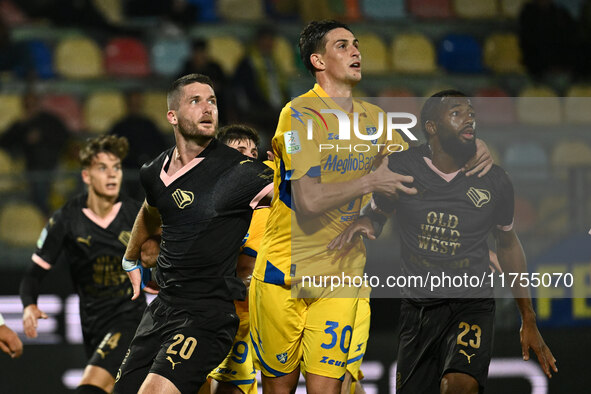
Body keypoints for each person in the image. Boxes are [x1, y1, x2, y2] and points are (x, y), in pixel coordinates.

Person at [249, 20, 494, 394]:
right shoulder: (298, 115)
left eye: (357, 44)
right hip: (283, 276)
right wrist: (369, 182)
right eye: (343, 46)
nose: (356, 52)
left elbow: (419, 176)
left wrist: (467, 148)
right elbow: (309, 201)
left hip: (340, 277)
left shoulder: (375, 120)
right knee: (277, 390)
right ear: (317, 60)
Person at [332, 90, 558, 393]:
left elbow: (507, 243)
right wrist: (367, 218)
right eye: (456, 113)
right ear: (431, 127)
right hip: (418, 309)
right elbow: (380, 207)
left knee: (458, 386)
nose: (469, 118)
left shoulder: (495, 180)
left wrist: (527, 317)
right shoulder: (404, 167)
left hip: (471, 304)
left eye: (471, 113)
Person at [113, 74, 274, 394]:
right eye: (195, 101)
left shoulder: (242, 171)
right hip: (162, 310)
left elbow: (303, 197)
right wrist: (130, 258)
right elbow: (150, 210)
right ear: (172, 115)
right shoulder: (154, 171)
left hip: (207, 314)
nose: (207, 108)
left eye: (212, 101)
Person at [20, 134, 147, 394]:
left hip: (130, 318)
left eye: (117, 168)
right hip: (92, 324)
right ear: (86, 176)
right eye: (103, 168)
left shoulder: (136, 214)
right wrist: (29, 305)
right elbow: (34, 274)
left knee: (90, 387)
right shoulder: (67, 220)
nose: (112, 175)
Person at [0, 89, 71, 214]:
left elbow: (65, 137)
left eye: (33, 104)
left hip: (53, 164)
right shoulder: (21, 124)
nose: (30, 108)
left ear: (38, 104)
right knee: (37, 187)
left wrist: (43, 136)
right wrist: (21, 126)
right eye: (27, 105)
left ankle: (46, 215)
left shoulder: (50, 121)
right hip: (31, 167)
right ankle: (41, 215)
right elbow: (5, 142)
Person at [108, 90, 168, 199]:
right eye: (132, 102)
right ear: (126, 103)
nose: (135, 105)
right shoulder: (119, 127)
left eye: (137, 102)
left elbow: (162, 148)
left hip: (147, 172)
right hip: (124, 172)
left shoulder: (149, 125)